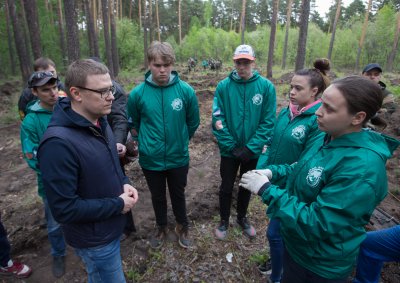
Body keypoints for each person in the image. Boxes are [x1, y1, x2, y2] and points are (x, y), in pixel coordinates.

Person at [240, 75, 400, 283]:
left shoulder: (361, 168)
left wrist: (267, 189)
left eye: (329, 108)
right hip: (298, 246)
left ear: (357, 117)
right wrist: (273, 172)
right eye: (322, 103)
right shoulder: (329, 136)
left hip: (317, 264)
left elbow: (319, 223)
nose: (318, 111)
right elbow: (304, 167)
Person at [37, 59, 138, 283]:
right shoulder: (57, 144)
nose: (111, 96)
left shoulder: (100, 121)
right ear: (76, 93)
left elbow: (111, 162)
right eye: (102, 92)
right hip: (95, 240)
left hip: (108, 228)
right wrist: (119, 204)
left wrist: (124, 180)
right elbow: (64, 209)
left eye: (110, 89)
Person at [257, 59, 330, 283]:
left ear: (315, 91)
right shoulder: (286, 112)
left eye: (298, 88)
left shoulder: (317, 122)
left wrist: (275, 178)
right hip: (275, 181)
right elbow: (269, 141)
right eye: (291, 87)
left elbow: (306, 163)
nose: (291, 92)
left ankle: (278, 276)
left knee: (275, 233)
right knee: (280, 232)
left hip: (295, 189)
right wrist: (262, 169)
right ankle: (280, 263)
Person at [127, 41, 200, 249]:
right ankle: (161, 226)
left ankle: (182, 225)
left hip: (178, 156)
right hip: (151, 159)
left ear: (172, 64)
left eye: (166, 65)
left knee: (178, 194)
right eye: (157, 65)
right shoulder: (137, 94)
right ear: (149, 64)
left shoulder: (186, 91)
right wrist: (145, 143)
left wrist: (181, 139)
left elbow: (193, 121)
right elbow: (134, 123)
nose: (162, 70)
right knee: (157, 196)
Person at [212, 44, 276, 240]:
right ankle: (224, 220)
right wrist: (231, 145)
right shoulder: (223, 87)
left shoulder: (266, 87)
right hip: (229, 151)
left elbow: (268, 121)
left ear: (253, 62)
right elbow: (217, 118)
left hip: (252, 151)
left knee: (246, 185)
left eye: (246, 62)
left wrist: (251, 147)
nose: (242, 66)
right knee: (226, 185)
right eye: (239, 62)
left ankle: (241, 217)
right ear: (234, 62)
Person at [19, 71, 66, 278]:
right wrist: (55, 171)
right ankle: (58, 253)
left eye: (54, 87)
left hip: (78, 176)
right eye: (46, 90)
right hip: (51, 182)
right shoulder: (30, 121)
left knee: (79, 214)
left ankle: (83, 246)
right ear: (35, 92)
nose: (52, 93)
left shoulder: (67, 108)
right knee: (54, 222)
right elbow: (31, 155)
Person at [88, 56, 135, 239]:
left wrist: (117, 141)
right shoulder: (80, 92)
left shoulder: (115, 90)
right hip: (90, 149)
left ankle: (126, 227)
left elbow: (119, 118)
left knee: (119, 184)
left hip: (111, 147)